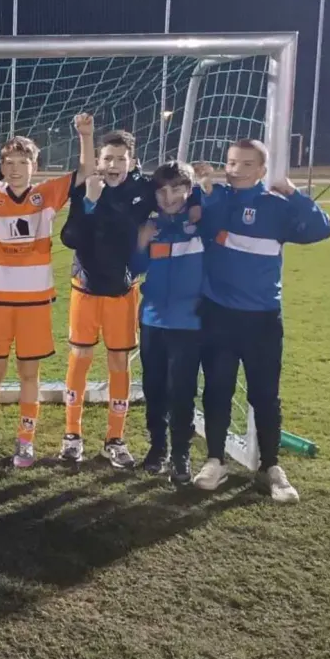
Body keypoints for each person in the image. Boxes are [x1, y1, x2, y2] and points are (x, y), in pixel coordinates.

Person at [0, 106, 95, 466]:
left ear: (34, 165)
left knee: (30, 374)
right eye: (9, 163)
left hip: (34, 304)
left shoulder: (47, 194)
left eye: (23, 162)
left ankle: (25, 441)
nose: (15, 169)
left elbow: (86, 171)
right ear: (2, 166)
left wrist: (86, 136)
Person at [191, 140, 330, 502]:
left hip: (263, 318)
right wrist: (204, 187)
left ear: (262, 170)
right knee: (217, 388)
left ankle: (270, 467)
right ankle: (215, 460)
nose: (235, 170)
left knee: (265, 395)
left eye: (245, 164)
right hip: (218, 313)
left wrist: (293, 193)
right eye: (231, 162)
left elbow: (321, 229)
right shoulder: (217, 198)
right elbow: (194, 220)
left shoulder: (276, 206)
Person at [59, 128, 184, 468]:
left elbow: (177, 196)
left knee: (119, 360)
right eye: (108, 158)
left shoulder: (143, 191)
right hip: (86, 287)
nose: (113, 165)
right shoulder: (86, 188)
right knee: (80, 356)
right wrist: (89, 202)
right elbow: (69, 237)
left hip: (122, 290)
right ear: (98, 161)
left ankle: (115, 439)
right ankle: (72, 435)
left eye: (120, 159)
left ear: (132, 161)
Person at [129, 161, 206, 486]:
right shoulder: (151, 225)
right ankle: (157, 448)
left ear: (188, 190)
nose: (169, 197)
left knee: (182, 390)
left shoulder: (201, 222)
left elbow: (213, 201)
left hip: (189, 323)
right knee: (154, 387)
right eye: (162, 191)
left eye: (177, 189)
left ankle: (181, 454)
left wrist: (200, 193)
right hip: (153, 320)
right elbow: (136, 267)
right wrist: (141, 242)